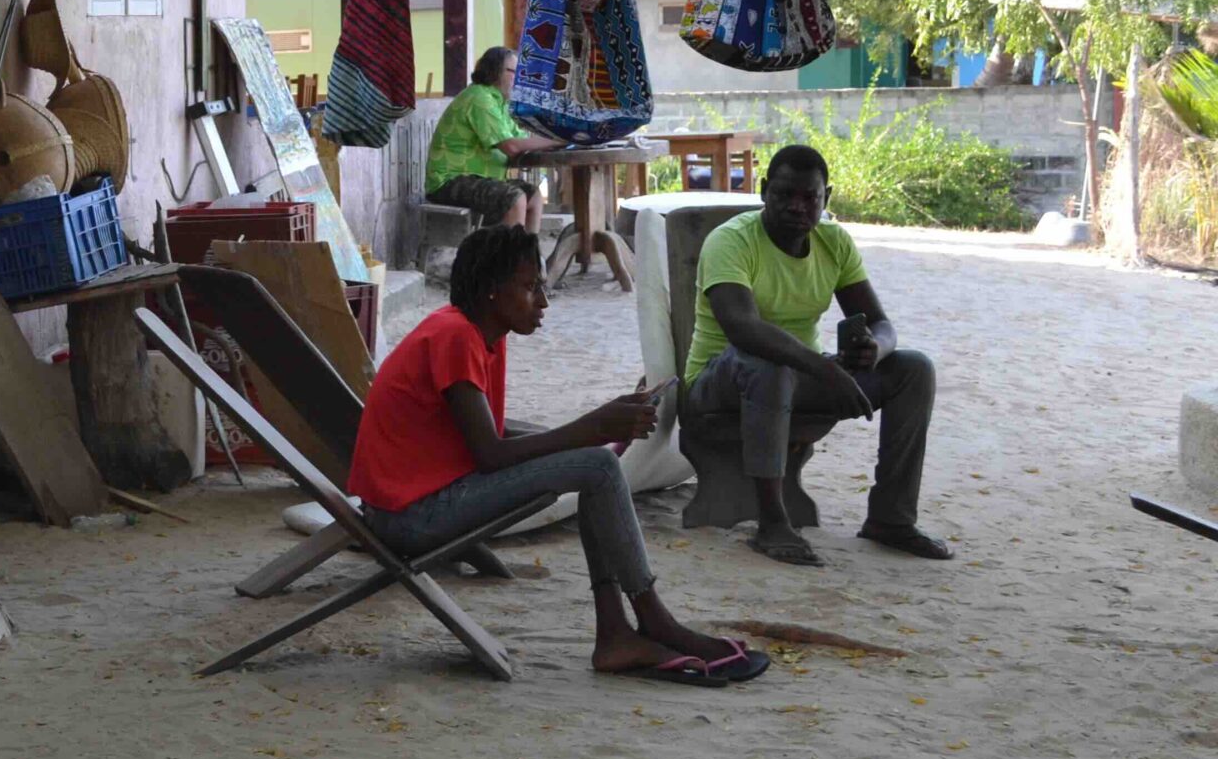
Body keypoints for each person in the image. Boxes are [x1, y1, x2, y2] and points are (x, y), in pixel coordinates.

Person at [347, 223, 763, 684]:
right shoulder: (456, 336)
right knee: (597, 466)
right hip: (409, 517)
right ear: (490, 290)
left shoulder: (478, 332)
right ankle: (652, 618)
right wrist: (590, 430)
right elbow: (490, 453)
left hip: (415, 502)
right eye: (530, 287)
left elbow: (488, 431)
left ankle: (616, 633)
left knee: (592, 465)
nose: (543, 301)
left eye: (542, 286)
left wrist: (589, 431)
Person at [680, 143, 948, 567]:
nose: (797, 206)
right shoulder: (731, 240)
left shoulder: (833, 242)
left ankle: (891, 520)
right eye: (784, 194)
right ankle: (772, 522)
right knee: (770, 364)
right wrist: (824, 369)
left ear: (827, 197)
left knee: (914, 369)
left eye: (810, 197)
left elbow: (882, 323)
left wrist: (874, 349)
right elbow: (743, 329)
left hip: (802, 376)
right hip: (718, 384)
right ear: (763, 191)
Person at [424, 46, 562, 233]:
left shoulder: (499, 103)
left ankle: (529, 249)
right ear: (495, 71)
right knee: (515, 198)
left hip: (477, 179)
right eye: (514, 72)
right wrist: (557, 140)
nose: (519, 79)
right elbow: (511, 146)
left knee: (534, 196)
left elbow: (520, 140)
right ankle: (510, 251)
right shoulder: (479, 98)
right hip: (449, 182)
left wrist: (554, 139)